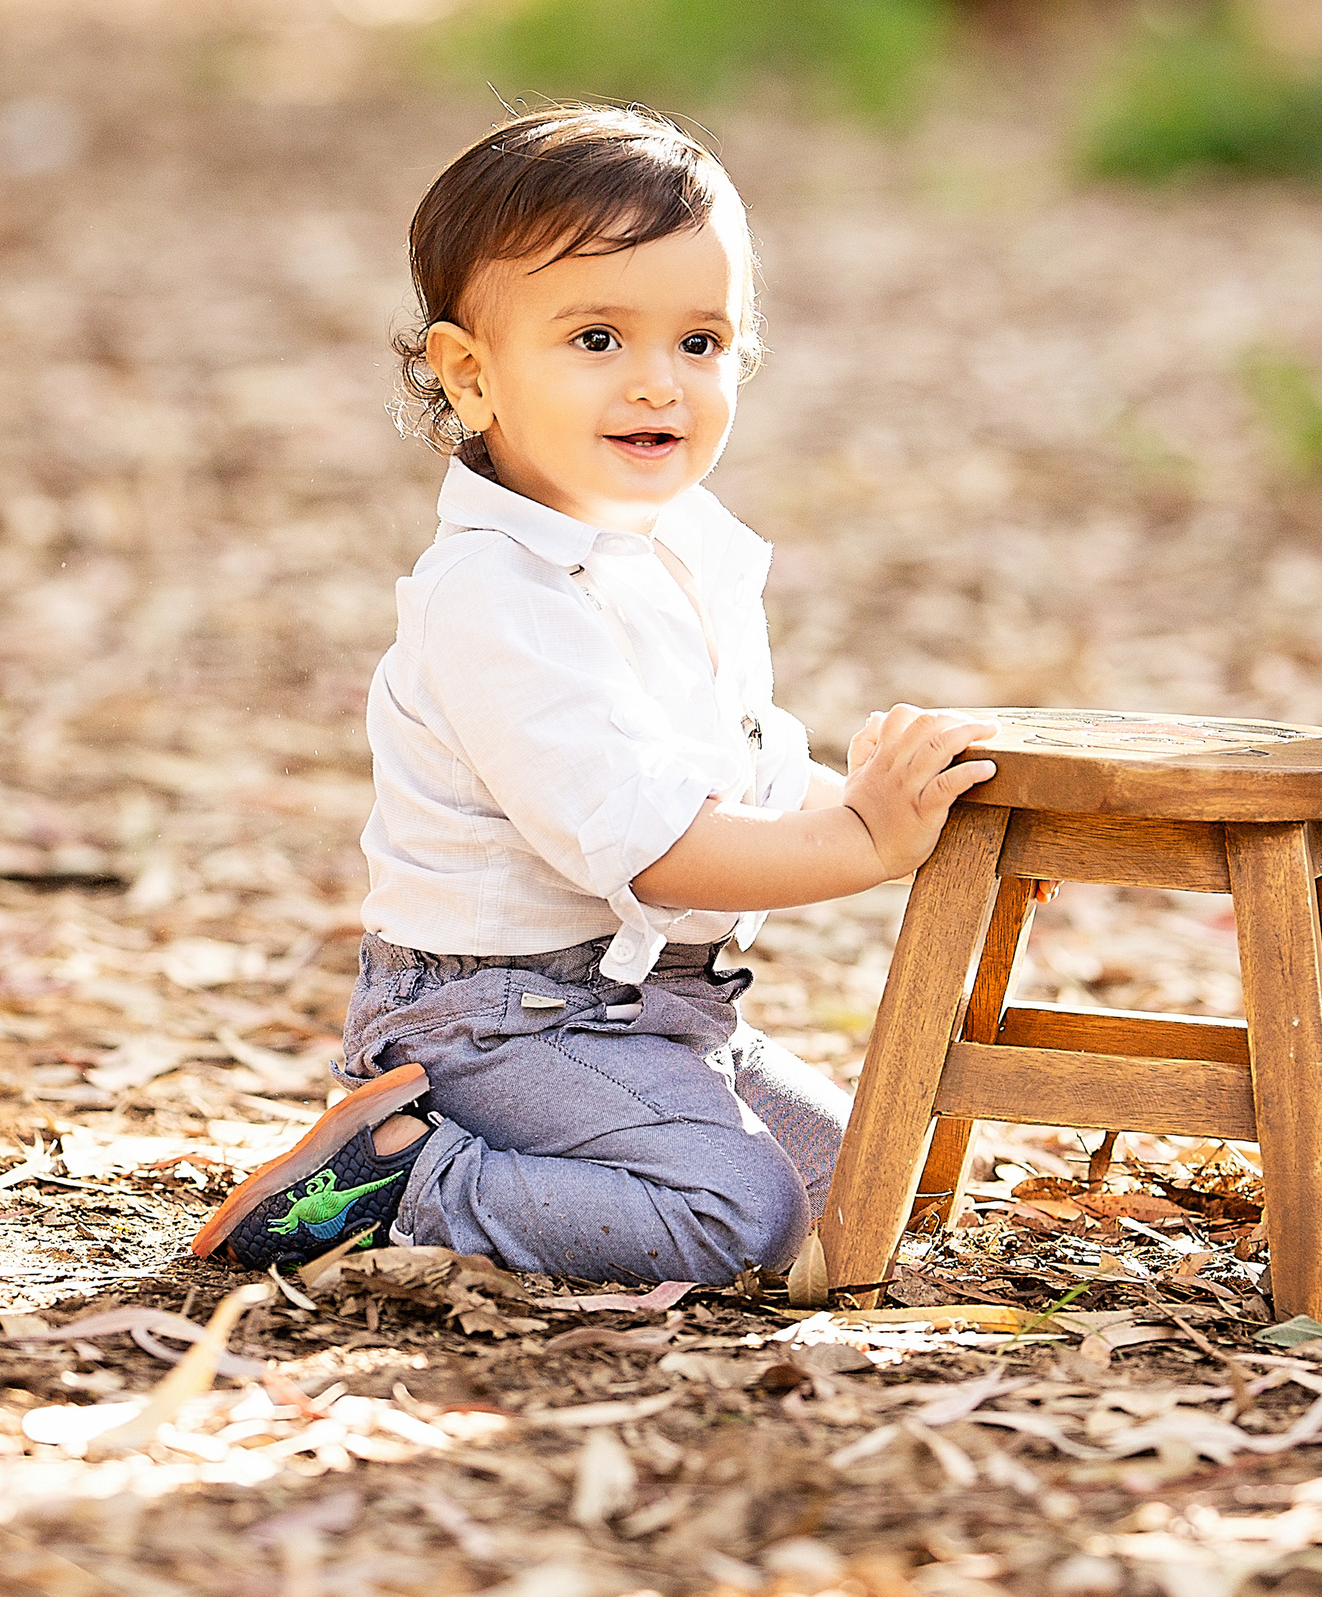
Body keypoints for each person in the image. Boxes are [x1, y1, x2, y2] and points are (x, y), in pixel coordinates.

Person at [192, 105, 996, 1282]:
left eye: (701, 343)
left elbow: (737, 779)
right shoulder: (497, 594)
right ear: (471, 376)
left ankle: (557, 1167)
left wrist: (887, 797)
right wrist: (863, 841)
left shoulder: (689, 547)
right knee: (738, 1217)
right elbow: (659, 848)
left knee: (879, 1183)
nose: (656, 384)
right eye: (597, 340)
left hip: (659, 1010)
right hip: (498, 1021)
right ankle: (401, 1183)